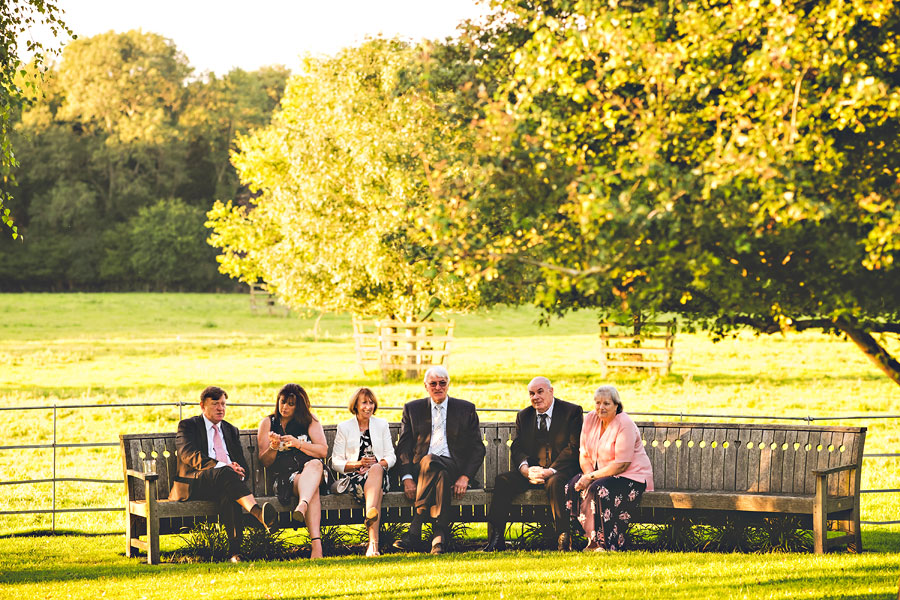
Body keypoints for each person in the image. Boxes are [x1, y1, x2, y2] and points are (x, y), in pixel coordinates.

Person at [171, 385, 276, 563]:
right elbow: (188, 455)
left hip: (226, 483)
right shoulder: (188, 426)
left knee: (230, 491)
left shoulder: (230, 430)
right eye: (215, 404)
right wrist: (223, 466)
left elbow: (242, 464)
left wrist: (240, 471)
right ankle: (258, 513)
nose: (221, 408)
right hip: (195, 484)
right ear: (202, 405)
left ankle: (235, 554)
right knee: (227, 474)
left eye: (223, 404)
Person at [482, 376, 583, 552]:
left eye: (540, 392)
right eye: (531, 393)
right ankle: (497, 539)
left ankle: (563, 537)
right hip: (533, 471)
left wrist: (550, 470)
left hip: (561, 470)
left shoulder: (571, 412)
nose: (535, 397)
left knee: (555, 482)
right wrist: (525, 470)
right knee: (502, 481)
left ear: (551, 391)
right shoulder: (524, 416)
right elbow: (518, 446)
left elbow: (573, 448)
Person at [393, 366, 486, 554]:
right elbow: (403, 447)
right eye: (433, 383)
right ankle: (439, 537)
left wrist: (465, 477)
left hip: (455, 468)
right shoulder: (413, 409)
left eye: (442, 383)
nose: (438, 387)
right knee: (437, 472)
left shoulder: (465, 409)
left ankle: (416, 526)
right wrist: (407, 478)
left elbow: (477, 448)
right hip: (424, 471)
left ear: (448, 385)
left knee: (432, 461)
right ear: (426, 386)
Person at [566, 385, 654, 551]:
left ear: (616, 405)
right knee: (570, 486)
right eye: (598, 403)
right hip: (599, 475)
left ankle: (604, 544)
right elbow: (583, 453)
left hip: (630, 477)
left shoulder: (624, 424)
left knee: (599, 490)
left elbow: (622, 464)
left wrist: (590, 478)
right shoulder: (591, 419)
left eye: (606, 403)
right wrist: (587, 475)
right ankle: (588, 539)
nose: (601, 407)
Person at [257, 383, 328, 559]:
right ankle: (317, 548)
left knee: (316, 465)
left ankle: (302, 505)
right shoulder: (268, 423)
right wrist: (273, 447)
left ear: (299, 406)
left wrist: (298, 444)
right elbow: (265, 462)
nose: (284, 407)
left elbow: (323, 451)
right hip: (285, 479)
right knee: (312, 490)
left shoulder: (309, 420)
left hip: (313, 472)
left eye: (290, 404)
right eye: (282, 402)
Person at [331, 387, 397, 557]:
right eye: (364, 403)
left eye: (371, 402)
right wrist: (358, 464)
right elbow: (335, 462)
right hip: (355, 479)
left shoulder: (381, 424)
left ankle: (372, 536)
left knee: (376, 470)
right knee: (378, 492)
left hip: (379, 474)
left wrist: (378, 464)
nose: (368, 406)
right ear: (355, 405)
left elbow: (391, 456)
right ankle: (373, 543)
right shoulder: (344, 427)